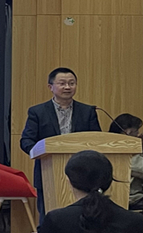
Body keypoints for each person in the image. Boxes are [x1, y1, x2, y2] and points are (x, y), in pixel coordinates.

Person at [20, 67, 101, 224]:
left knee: (84, 217)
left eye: (71, 83)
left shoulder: (87, 111)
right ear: (50, 87)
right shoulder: (37, 112)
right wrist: (40, 152)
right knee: (48, 217)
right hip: (48, 170)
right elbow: (26, 141)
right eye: (62, 83)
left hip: (82, 172)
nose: (67, 87)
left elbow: (96, 139)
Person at [108, 113, 143, 209]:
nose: (138, 135)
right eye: (135, 131)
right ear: (126, 133)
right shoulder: (120, 153)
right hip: (130, 200)